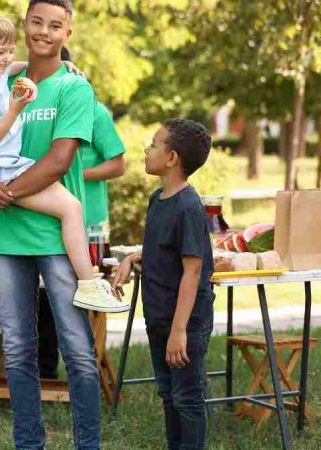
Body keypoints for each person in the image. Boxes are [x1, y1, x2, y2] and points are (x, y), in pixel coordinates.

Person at [0, 1, 102, 447]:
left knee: (78, 352)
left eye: (55, 25)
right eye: (36, 22)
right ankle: (29, 443)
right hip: (7, 238)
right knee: (17, 352)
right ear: (24, 27)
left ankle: (88, 445)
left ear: (67, 33)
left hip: (56, 239)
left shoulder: (74, 89)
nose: (43, 32)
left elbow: (59, 161)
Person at [0, 12, 126, 336]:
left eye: (9, 51)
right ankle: (87, 282)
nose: (7, 59)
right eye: (0, 52)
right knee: (71, 208)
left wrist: (61, 66)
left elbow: (18, 67)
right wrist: (17, 109)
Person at [113, 119, 215, 450]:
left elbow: (192, 271)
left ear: (171, 158)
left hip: (184, 322)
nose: (147, 149)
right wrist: (131, 258)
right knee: (169, 394)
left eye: (154, 144)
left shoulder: (188, 207)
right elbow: (162, 245)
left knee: (187, 397)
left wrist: (179, 331)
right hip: (159, 317)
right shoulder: (159, 199)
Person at [38, 47, 127, 379]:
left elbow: (118, 164)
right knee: (45, 293)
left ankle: (87, 370)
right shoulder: (34, 107)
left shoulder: (95, 110)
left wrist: (71, 174)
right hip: (47, 215)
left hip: (87, 221)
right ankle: (46, 370)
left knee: (84, 293)